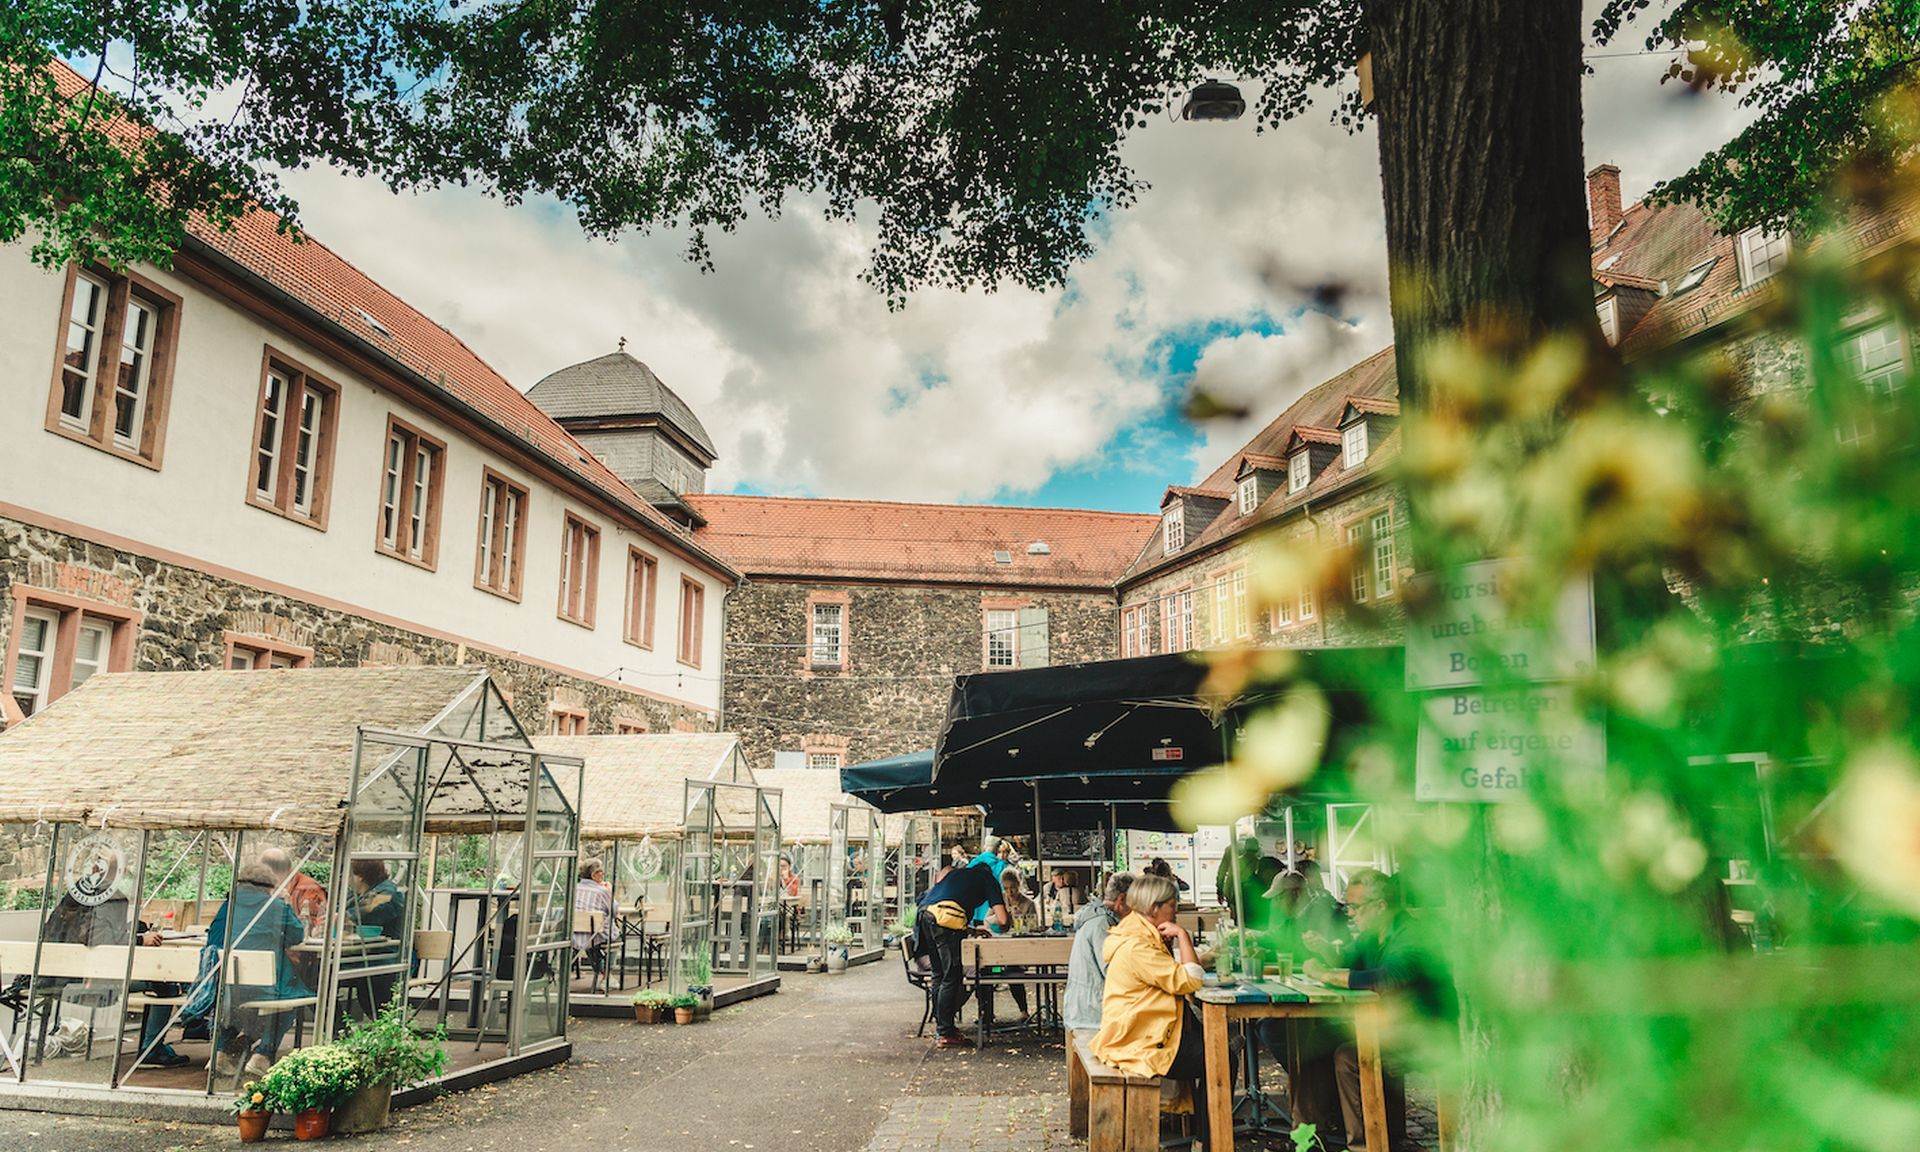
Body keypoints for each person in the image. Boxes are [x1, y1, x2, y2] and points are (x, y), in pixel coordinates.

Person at [1089, 873, 1218, 1148]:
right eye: (1172, 905)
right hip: (1140, 1040)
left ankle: (1203, 1132)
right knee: (1220, 1059)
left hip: (1138, 1027)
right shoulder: (1138, 945)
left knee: (1208, 1044)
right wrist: (1183, 935)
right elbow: (1189, 980)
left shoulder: (1134, 931)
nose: (1176, 910)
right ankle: (1210, 1139)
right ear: (1154, 908)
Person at [1302, 869, 1425, 1152]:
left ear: (1381, 906)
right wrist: (1323, 952)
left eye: (1355, 907)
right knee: (1314, 1041)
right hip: (1383, 1025)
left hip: (1422, 1032)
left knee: (1348, 1057)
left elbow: (1387, 979)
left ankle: (1366, 1145)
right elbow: (1348, 960)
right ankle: (1308, 1136)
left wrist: (1325, 975)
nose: (1350, 914)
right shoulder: (1373, 935)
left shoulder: (1409, 933)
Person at [207, 860, 310, 1078]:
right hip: (265, 986)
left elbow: (213, 939)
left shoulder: (228, 905)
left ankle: (220, 1054)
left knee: (236, 1003)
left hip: (226, 984)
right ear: (268, 887)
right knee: (291, 1002)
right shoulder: (275, 906)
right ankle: (263, 1055)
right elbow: (297, 935)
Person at [915, 860, 1009, 1049]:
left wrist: (972, 930)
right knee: (952, 976)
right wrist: (1008, 925)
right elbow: (1003, 919)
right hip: (945, 919)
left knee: (939, 975)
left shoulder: (956, 875)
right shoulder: (987, 878)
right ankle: (945, 1032)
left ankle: (943, 1027)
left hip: (924, 915)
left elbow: (945, 901)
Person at [1063, 872, 1132, 1033]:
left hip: (1084, 1007)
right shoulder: (1103, 924)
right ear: (1122, 899)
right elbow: (1113, 971)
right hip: (1093, 1015)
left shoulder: (1096, 916)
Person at [344, 859, 406, 1017]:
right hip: (362, 957)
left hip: (384, 960)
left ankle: (339, 1031)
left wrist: (344, 917)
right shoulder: (358, 894)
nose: (346, 878)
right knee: (317, 979)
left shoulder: (388, 893)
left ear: (360, 876)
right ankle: (339, 1030)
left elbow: (369, 911)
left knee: (318, 981)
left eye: (349, 874)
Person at [260, 847, 327, 935]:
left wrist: (287, 905)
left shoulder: (309, 889)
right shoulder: (273, 887)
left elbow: (313, 927)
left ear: (271, 872)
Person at [573, 858, 615, 988]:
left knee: (593, 936)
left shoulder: (574, 889)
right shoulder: (602, 891)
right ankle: (606, 975)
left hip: (574, 936)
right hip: (594, 936)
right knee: (613, 936)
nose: (603, 874)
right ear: (594, 875)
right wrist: (610, 891)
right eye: (601, 872)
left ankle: (600, 971)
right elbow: (613, 911)